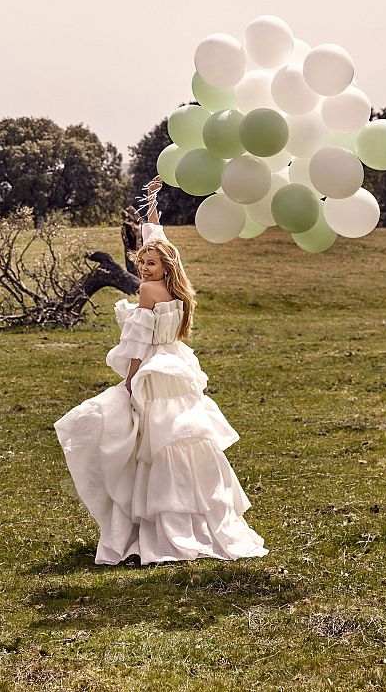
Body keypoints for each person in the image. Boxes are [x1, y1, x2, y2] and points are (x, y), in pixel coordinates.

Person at [53, 175, 269, 565]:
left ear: (164, 265)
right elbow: (158, 238)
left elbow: (138, 340)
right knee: (181, 437)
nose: (144, 269)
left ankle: (162, 525)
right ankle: (196, 514)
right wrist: (152, 203)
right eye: (141, 263)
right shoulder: (177, 287)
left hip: (154, 368)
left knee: (151, 441)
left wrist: (130, 379)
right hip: (177, 364)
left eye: (150, 264)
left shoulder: (148, 291)